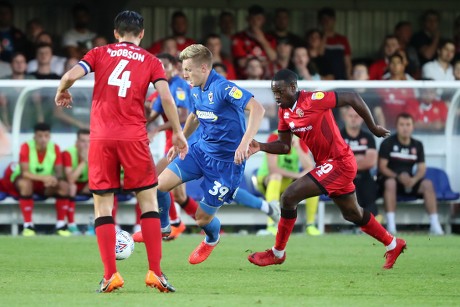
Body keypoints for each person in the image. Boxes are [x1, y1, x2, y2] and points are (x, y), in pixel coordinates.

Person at [55, 10, 188, 293]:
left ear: (116, 32)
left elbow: (69, 75)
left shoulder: (99, 53)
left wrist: (62, 90)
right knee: (148, 202)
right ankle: (155, 272)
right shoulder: (152, 61)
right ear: (141, 34)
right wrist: (177, 131)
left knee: (102, 206)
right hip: (134, 137)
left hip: (101, 138)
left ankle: (110, 275)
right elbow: (165, 96)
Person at [246, 69, 406, 270]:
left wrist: (373, 127)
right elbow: (284, 146)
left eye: (280, 91)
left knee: (289, 197)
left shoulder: (313, 99)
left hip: (340, 162)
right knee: (352, 214)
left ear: (293, 88)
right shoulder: (284, 112)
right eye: (274, 92)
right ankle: (393, 244)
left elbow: (352, 97)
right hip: (328, 165)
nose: (276, 96)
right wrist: (260, 146)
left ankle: (277, 252)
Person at [157, 43, 265, 264]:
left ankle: (212, 238)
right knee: (158, 185)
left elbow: (258, 108)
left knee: (202, 218)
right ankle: (164, 228)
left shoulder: (224, 88)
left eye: (188, 69)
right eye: (183, 69)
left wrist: (244, 143)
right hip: (200, 152)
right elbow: (195, 116)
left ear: (204, 68)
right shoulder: (196, 88)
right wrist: (181, 139)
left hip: (227, 164)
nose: (184, 74)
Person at [378, 113, 445, 235]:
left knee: (428, 184)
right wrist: (398, 177)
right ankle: (391, 227)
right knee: (390, 183)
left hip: (410, 181)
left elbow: (421, 168)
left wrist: (414, 180)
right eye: (402, 125)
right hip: (392, 180)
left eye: (408, 124)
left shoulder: (417, 145)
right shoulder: (388, 143)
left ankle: (435, 226)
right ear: (396, 126)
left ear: (413, 126)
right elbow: (382, 167)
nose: (405, 128)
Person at [10, 122, 71, 237]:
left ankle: (61, 225)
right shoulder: (26, 147)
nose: (43, 139)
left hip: (45, 184)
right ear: (34, 137)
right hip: (28, 181)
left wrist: (54, 179)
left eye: (46, 136)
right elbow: (25, 173)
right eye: (40, 136)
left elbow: (59, 173)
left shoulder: (55, 147)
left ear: (50, 136)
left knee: (64, 186)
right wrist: (44, 178)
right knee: (25, 184)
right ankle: (28, 225)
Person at [256, 132, 320, 236]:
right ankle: (271, 224)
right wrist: (297, 175)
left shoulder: (299, 139)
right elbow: (273, 169)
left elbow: (309, 167)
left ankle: (310, 225)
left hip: (288, 181)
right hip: (267, 180)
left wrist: (298, 147)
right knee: (276, 176)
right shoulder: (274, 137)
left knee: (313, 182)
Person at [340, 106, 380, 224]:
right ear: (345, 117)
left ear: (362, 118)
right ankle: (355, 226)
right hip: (344, 177)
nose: (353, 119)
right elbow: (336, 161)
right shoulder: (338, 136)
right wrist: (358, 159)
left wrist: (348, 160)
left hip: (364, 176)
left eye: (356, 116)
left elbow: (371, 162)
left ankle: (372, 224)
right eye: (350, 116)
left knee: (369, 190)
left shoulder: (368, 137)